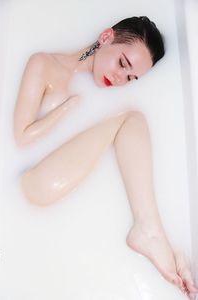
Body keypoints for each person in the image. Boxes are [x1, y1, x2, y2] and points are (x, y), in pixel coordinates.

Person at [14, 16, 198, 299]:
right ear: (105, 38)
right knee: (131, 119)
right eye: (123, 64)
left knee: (133, 121)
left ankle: (159, 243)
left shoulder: (101, 98)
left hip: (56, 194)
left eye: (131, 78)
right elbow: (22, 137)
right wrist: (68, 106)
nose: (120, 79)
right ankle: (149, 234)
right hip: (30, 184)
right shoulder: (45, 64)